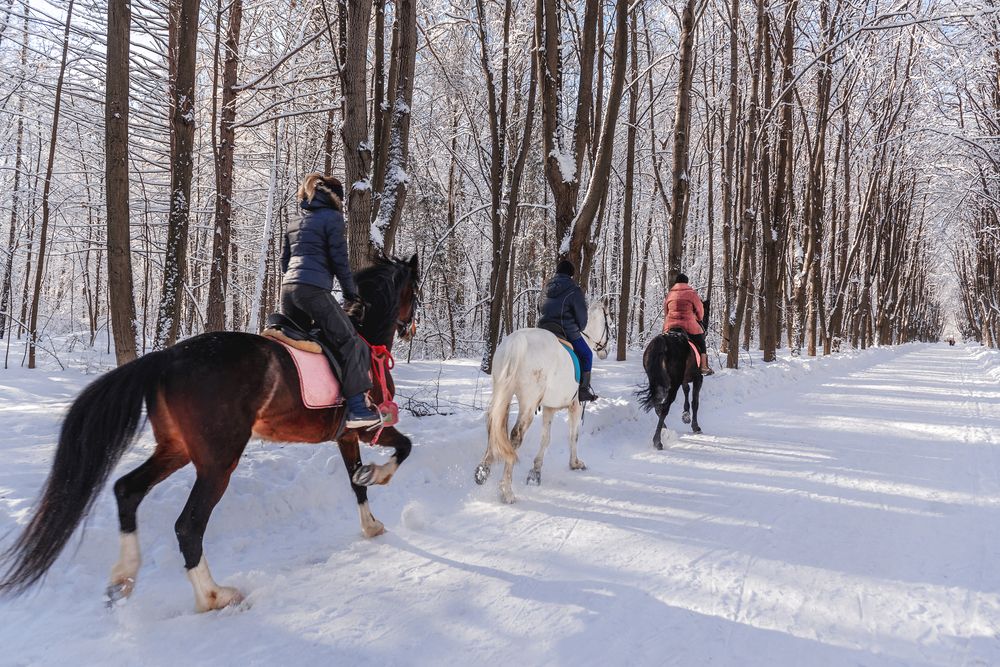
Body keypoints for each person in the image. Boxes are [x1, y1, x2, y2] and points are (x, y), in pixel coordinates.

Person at [280, 173, 382, 428]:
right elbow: (339, 261)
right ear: (336, 198)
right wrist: (350, 294)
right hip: (312, 291)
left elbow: (284, 263)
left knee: (298, 345)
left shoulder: (295, 220)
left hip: (288, 291)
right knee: (348, 341)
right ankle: (358, 409)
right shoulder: (333, 219)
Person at [537, 260, 598, 402]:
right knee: (587, 354)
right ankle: (583, 390)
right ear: (571, 274)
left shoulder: (545, 288)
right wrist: (579, 328)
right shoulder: (574, 290)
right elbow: (582, 318)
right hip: (565, 331)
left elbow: (539, 308)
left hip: (543, 330)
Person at [662, 273, 713, 376]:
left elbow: (666, 311)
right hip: (688, 325)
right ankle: (703, 367)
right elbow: (700, 310)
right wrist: (698, 318)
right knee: (701, 342)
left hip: (670, 325)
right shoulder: (691, 293)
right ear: (686, 282)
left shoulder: (670, 294)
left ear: (676, 282)